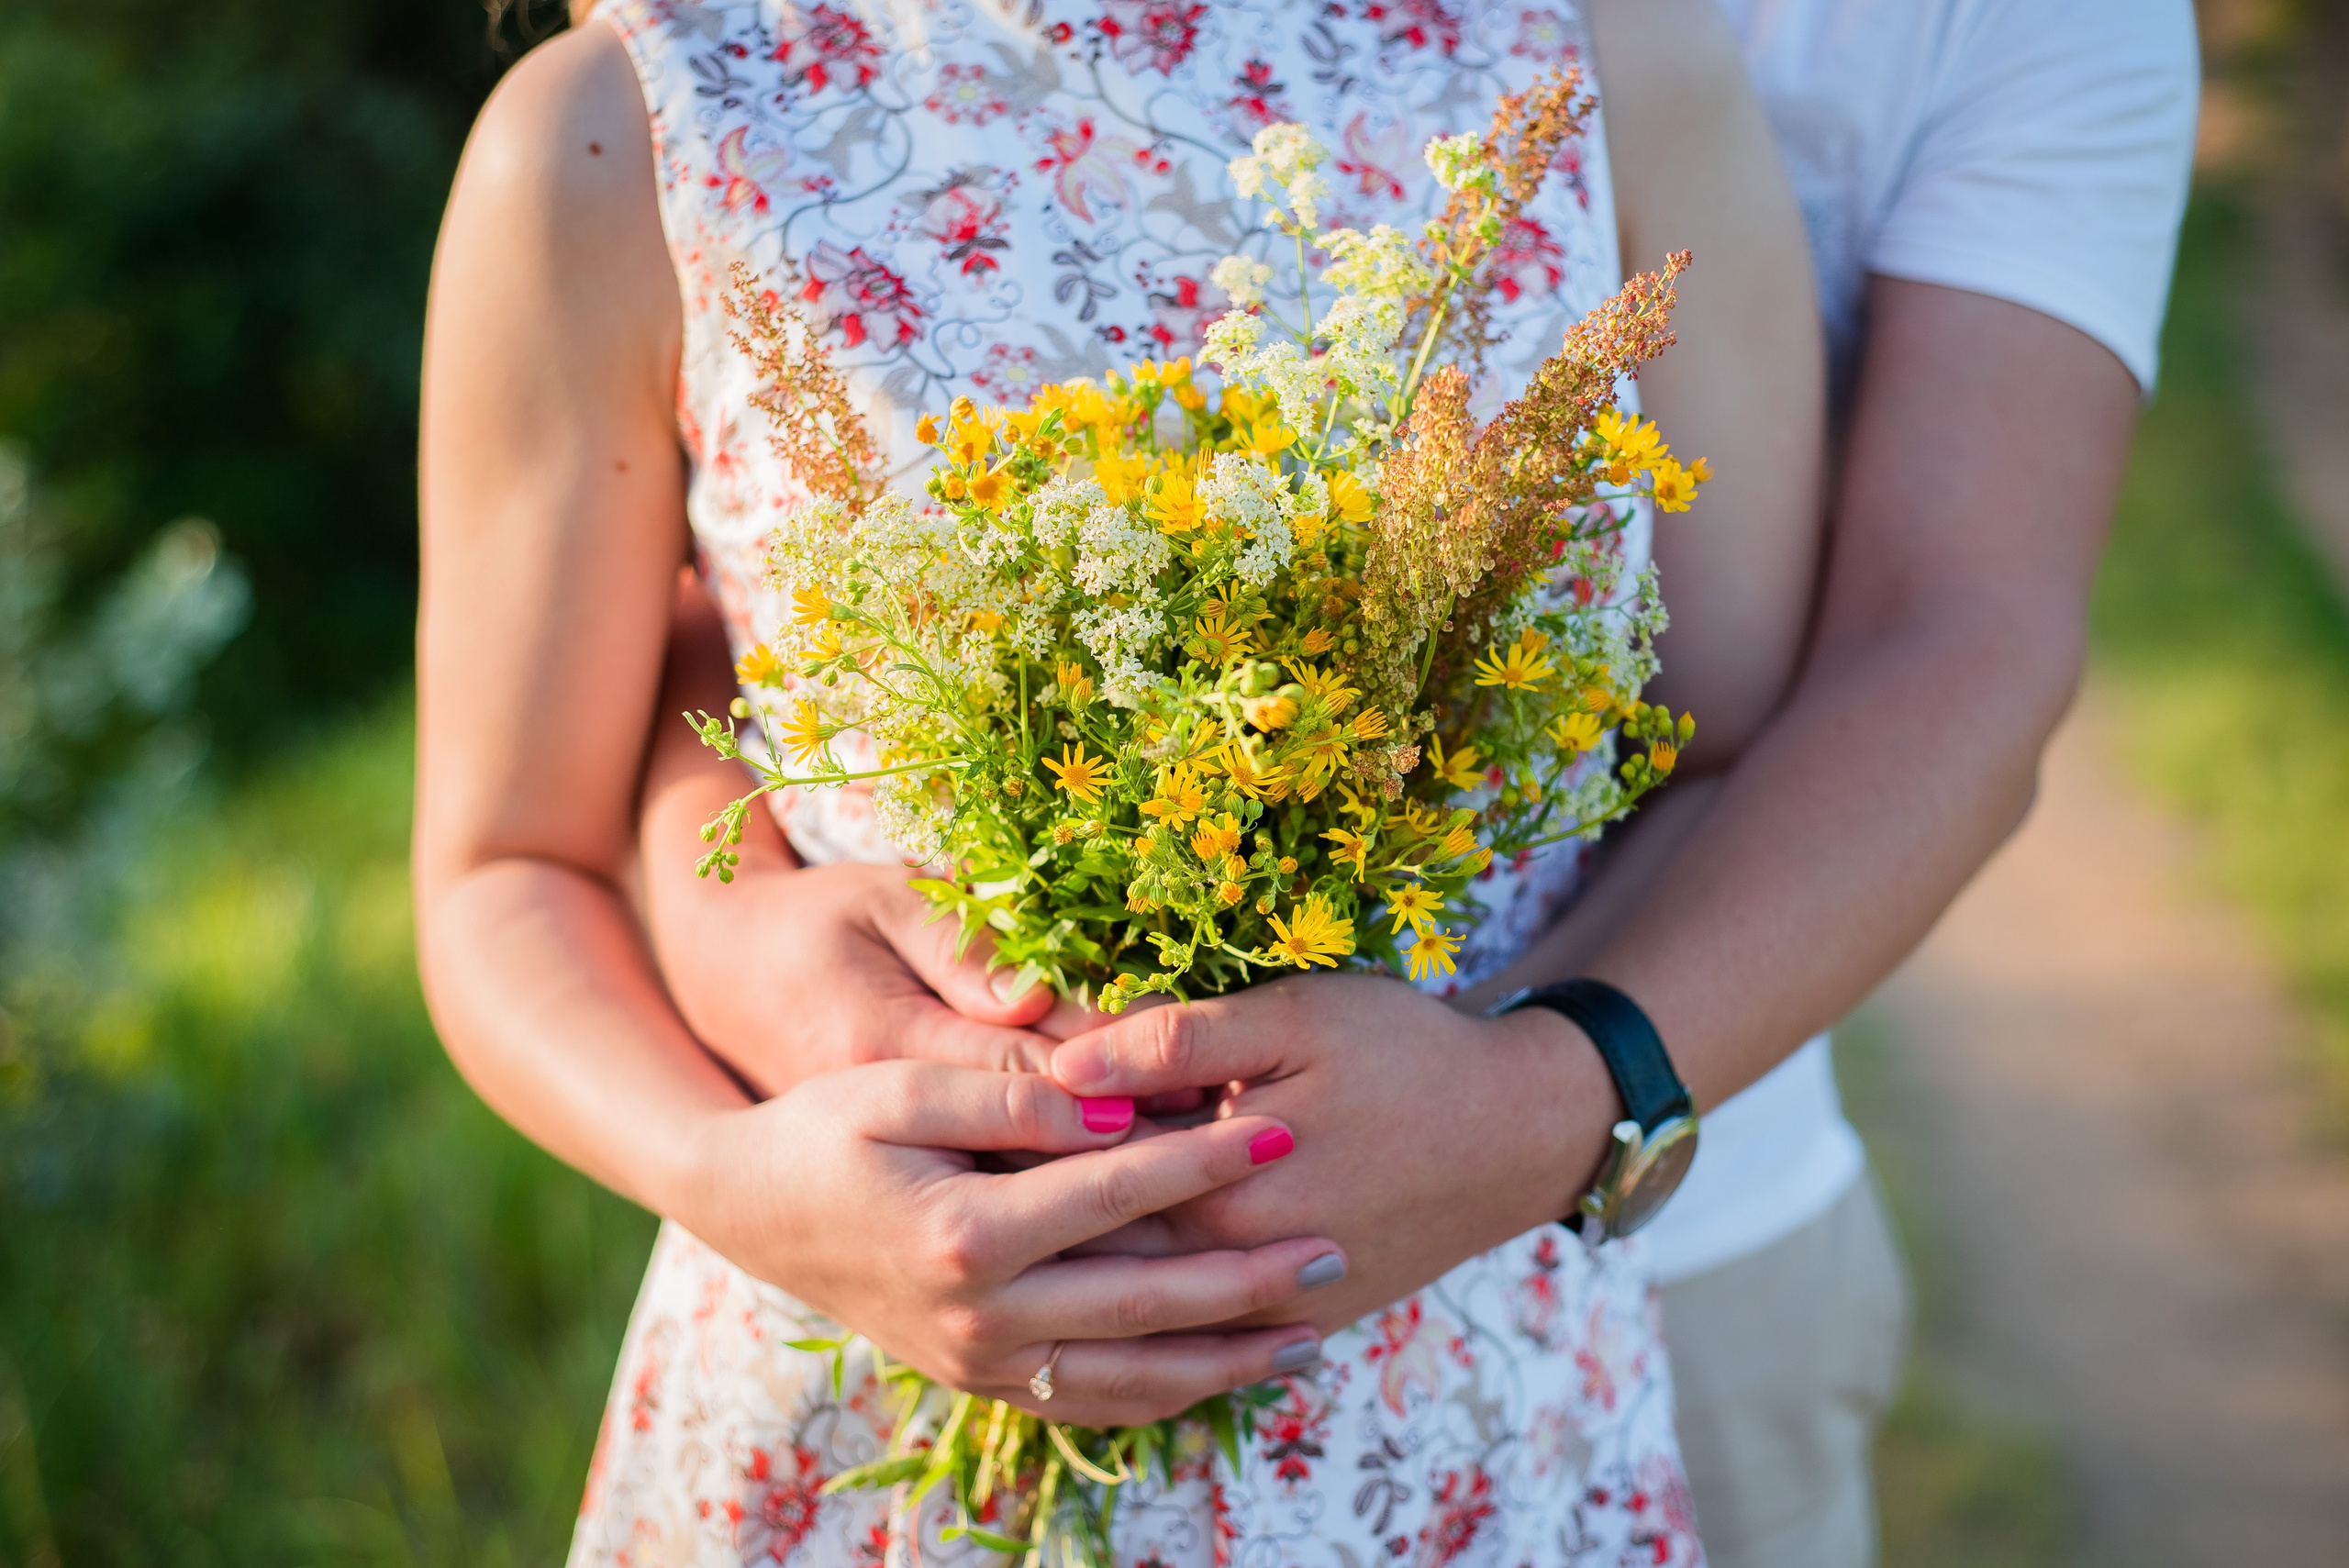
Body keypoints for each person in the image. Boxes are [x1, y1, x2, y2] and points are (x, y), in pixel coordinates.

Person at [615, 3, 2207, 1566]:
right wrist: (735, 941)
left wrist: (1536, 1091)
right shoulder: (668, 106)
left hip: (1617, 1243)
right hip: (897, 1288)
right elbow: (701, 626)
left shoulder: (1652, 68)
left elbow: (1940, 645)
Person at [414, 0, 1823, 1562]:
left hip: (1468, 1411)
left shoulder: (1604, 57)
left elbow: (1736, 754)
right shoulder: (630, 124)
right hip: (860, 1394)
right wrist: (733, 1174)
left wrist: (1528, 1087)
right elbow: (505, 866)